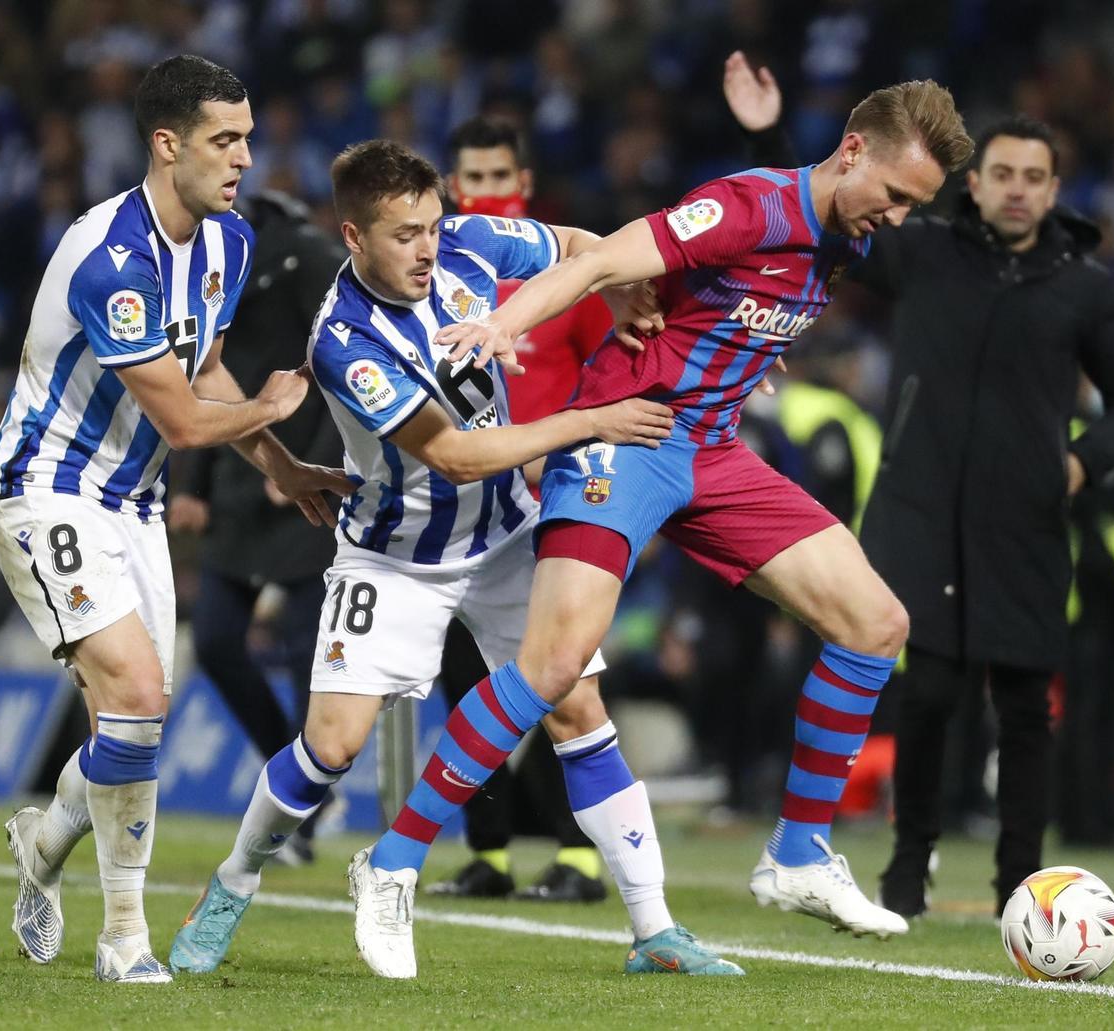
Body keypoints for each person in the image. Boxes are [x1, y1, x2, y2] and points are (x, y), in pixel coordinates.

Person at [362, 80, 974, 975]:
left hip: (714, 453)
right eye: (896, 194)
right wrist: (503, 322)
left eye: (914, 206)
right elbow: (603, 263)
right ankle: (391, 863)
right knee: (552, 667)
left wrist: (735, 354)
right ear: (853, 153)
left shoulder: (845, 232)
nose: (898, 217)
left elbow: (736, 310)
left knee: (876, 623)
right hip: (625, 433)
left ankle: (799, 854)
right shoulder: (743, 206)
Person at [169, 140, 743, 981]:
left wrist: (616, 286)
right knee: (329, 746)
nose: (428, 248)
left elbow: (584, 246)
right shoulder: (346, 339)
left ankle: (655, 928)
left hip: (506, 538)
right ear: (354, 237)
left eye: (433, 227)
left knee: (578, 708)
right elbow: (458, 457)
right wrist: (592, 421)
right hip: (394, 555)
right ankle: (231, 882)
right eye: (404, 235)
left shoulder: (470, 244)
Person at [0, 55, 350, 984]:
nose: (243, 159)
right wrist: (269, 414)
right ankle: (123, 940)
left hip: (133, 501)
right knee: (140, 694)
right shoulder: (112, 258)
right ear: (167, 142)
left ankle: (46, 841)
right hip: (47, 487)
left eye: (249, 138)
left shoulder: (228, 241)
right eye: (226, 140)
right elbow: (185, 418)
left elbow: (206, 374)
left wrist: (283, 463)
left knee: (133, 717)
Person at [848, 117, 1114, 916]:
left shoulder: (1084, 287)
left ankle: (1023, 884)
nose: (1018, 188)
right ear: (974, 185)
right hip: (921, 515)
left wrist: (1085, 461)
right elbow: (833, 221)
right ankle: (907, 868)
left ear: (1054, 191)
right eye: (1004, 173)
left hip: (1025, 523)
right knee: (929, 694)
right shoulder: (921, 254)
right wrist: (765, 133)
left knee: (1024, 702)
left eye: (1034, 176)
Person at [426, 115, 613, 903]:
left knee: (566, 685)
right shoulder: (435, 274)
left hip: (560, 508)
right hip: (464, 509)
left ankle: (583, 855)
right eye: (473, 178)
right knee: (469, 686)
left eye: (501, 177)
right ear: (453, 187)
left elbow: (624, 364)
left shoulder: (565, 287)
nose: (487, 192)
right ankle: (489, 854)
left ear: (524, 186)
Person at [167, 190, 348, 863]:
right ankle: (295, 781)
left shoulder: (306, 259)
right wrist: (199, 487)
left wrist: (311, 463)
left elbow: (342, 371)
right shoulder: (211, 269)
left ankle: (301, 805)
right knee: (214, 640)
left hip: (304, 490)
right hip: (243, 487)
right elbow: (212, 383)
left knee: (307, 655)